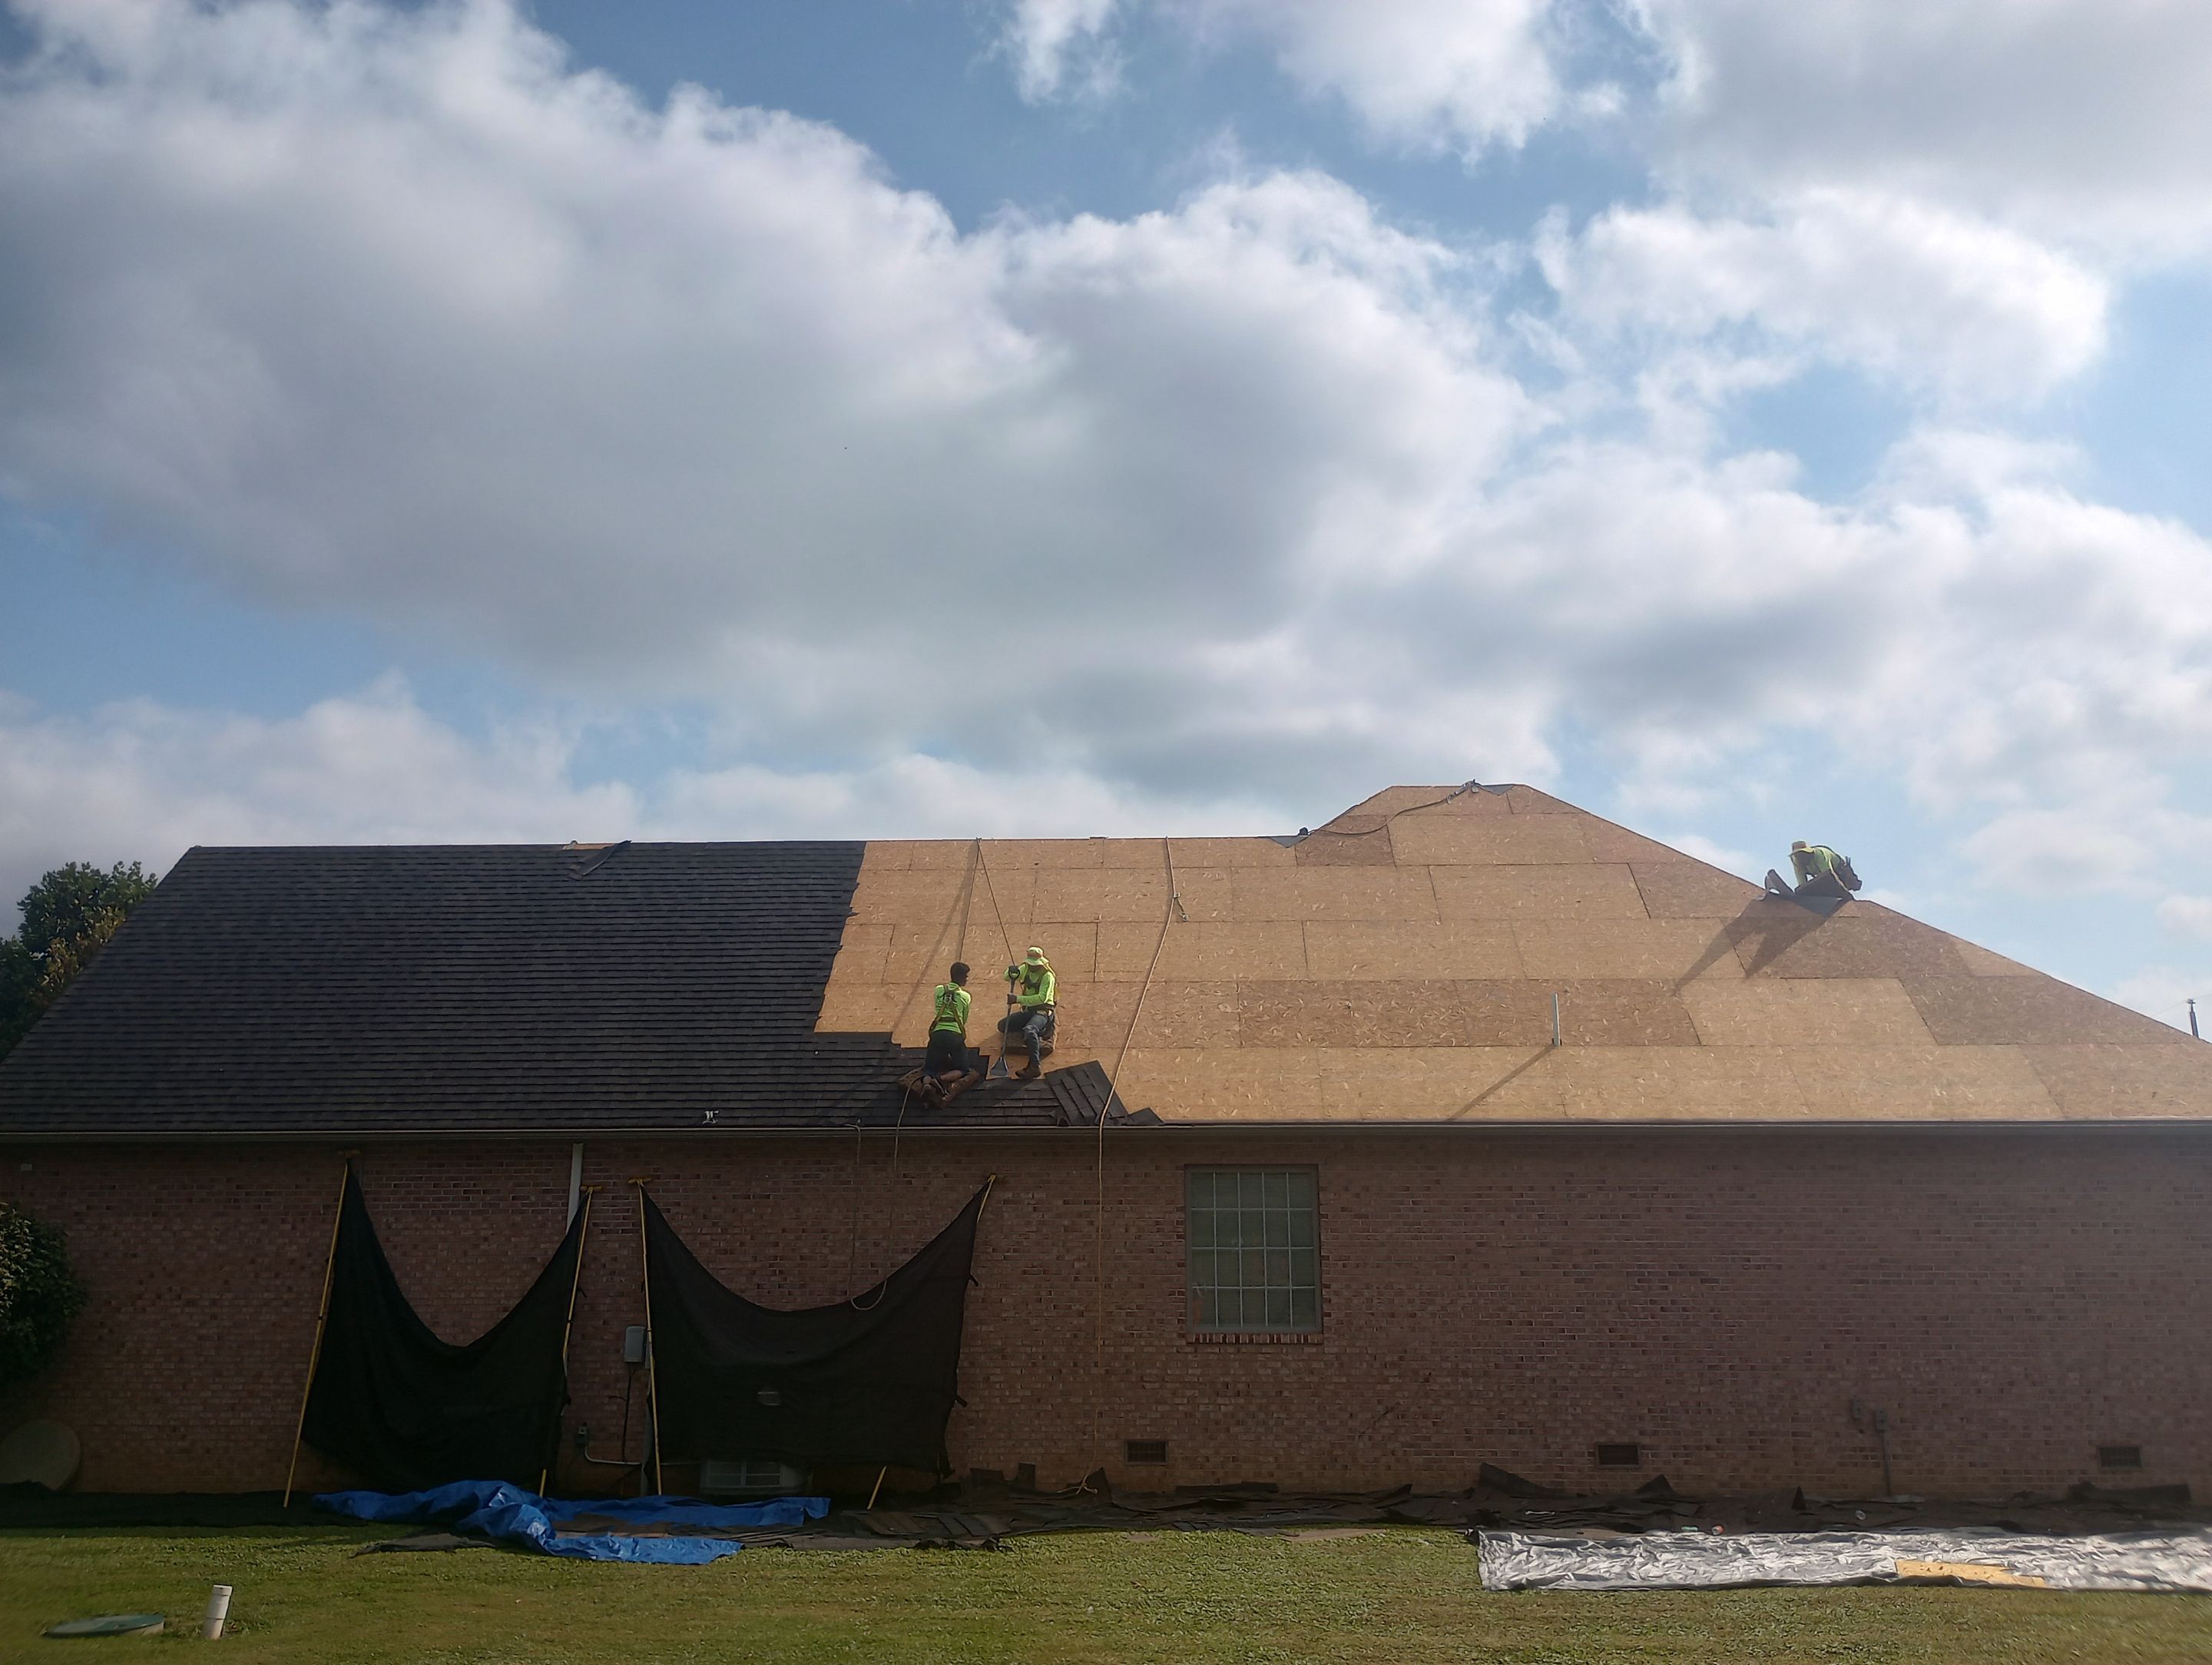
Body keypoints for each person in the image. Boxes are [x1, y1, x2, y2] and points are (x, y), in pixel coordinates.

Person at [921, 962, 984, 1107]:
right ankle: (941, 1079)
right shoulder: (965, 996)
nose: (967, 979)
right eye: (966, 977)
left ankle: (927, 1084)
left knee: (929, 1068)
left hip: (937, 1033)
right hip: (955, 1035)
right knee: (963, 1069)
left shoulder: (938, 990)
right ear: (961, 978)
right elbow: (964, 1018)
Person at [998, 945, 1056, 1080]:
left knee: (1030, 1030)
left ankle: (1034, 1066)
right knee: (1003, 1026)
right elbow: (1007, 977)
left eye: (1034, 965)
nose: (1032, 967)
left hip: (1042, 1011)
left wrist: (1017, 999)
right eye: (1030, 964)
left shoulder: (1048, 976)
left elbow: (1041, 998)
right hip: (1028, 1011)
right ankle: (1035, 1033)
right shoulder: (1027, 968)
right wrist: (1011, 971)